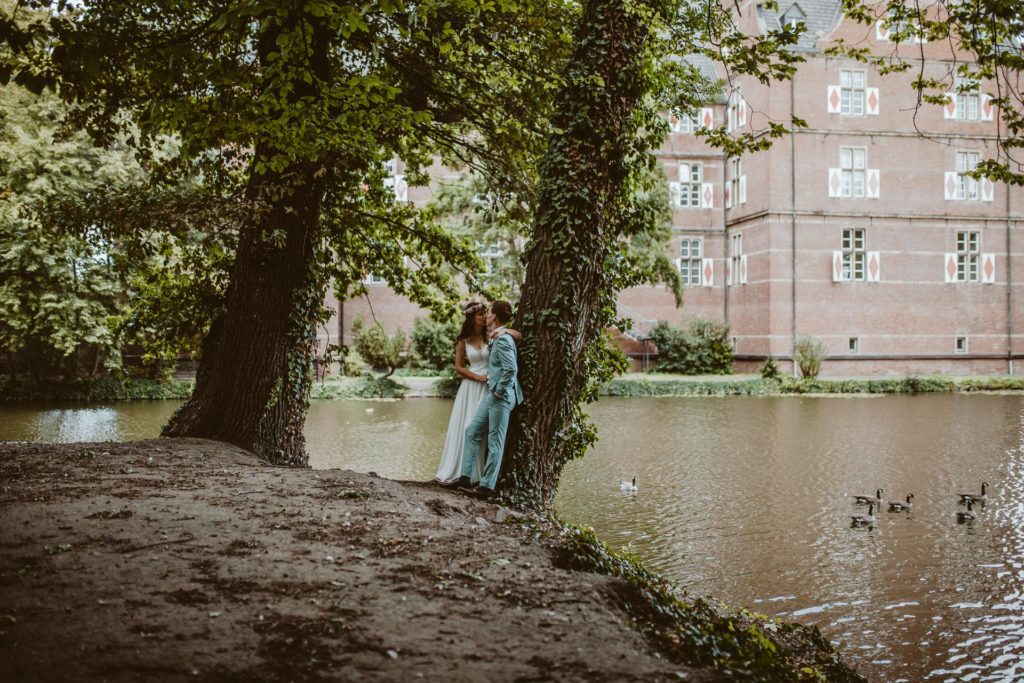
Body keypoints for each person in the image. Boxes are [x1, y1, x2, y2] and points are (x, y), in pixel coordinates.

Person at [434, 302, 520, 483]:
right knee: (468, 427)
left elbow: (518, 335)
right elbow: (459, 367)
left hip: (491, 387)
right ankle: (459, 472)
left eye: (485, 313)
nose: (484, 316)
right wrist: (479, 378)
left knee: (485, 433)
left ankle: (477, 476)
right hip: (471, 386)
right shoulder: (463, 340)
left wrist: (505, 331)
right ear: (472, 317)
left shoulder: (493, 335)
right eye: (480, 314)